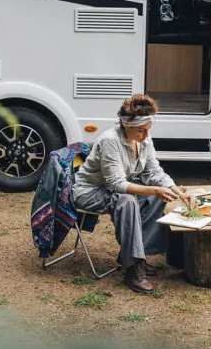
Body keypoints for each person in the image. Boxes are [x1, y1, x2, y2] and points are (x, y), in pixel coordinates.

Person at [72, 94, 193, 293]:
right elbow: (117, 184)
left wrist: (176, 190)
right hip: (88, 191)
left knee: (156, 197)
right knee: (126, 201)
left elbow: (153, 172)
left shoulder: (143, 138)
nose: (146, 136)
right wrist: (154, 189)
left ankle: (136, 253)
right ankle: (133, 267)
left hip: (113, 189)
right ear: (126, 125)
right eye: (141, 131)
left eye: (148, 130)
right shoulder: (110, 141)